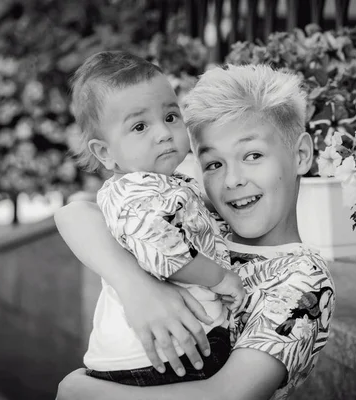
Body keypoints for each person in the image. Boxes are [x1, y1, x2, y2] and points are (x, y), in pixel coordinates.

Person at [55, 63, 336, 400]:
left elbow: (227, 395)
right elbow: (74, 214)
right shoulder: (204, 214)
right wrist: (137, 288)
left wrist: (80, 391)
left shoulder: (303, 280)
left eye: (253, 155)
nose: (232, 180)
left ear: (301, 154)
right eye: (214, 164)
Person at [66, 50, 246, 386]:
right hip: (163, 349)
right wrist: (220, 278)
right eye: (139, 126)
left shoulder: (159, 182)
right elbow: (166, 251)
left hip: (170, 344)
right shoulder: (135, 194)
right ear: (105, 153)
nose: (163, 133)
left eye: (170, 117)